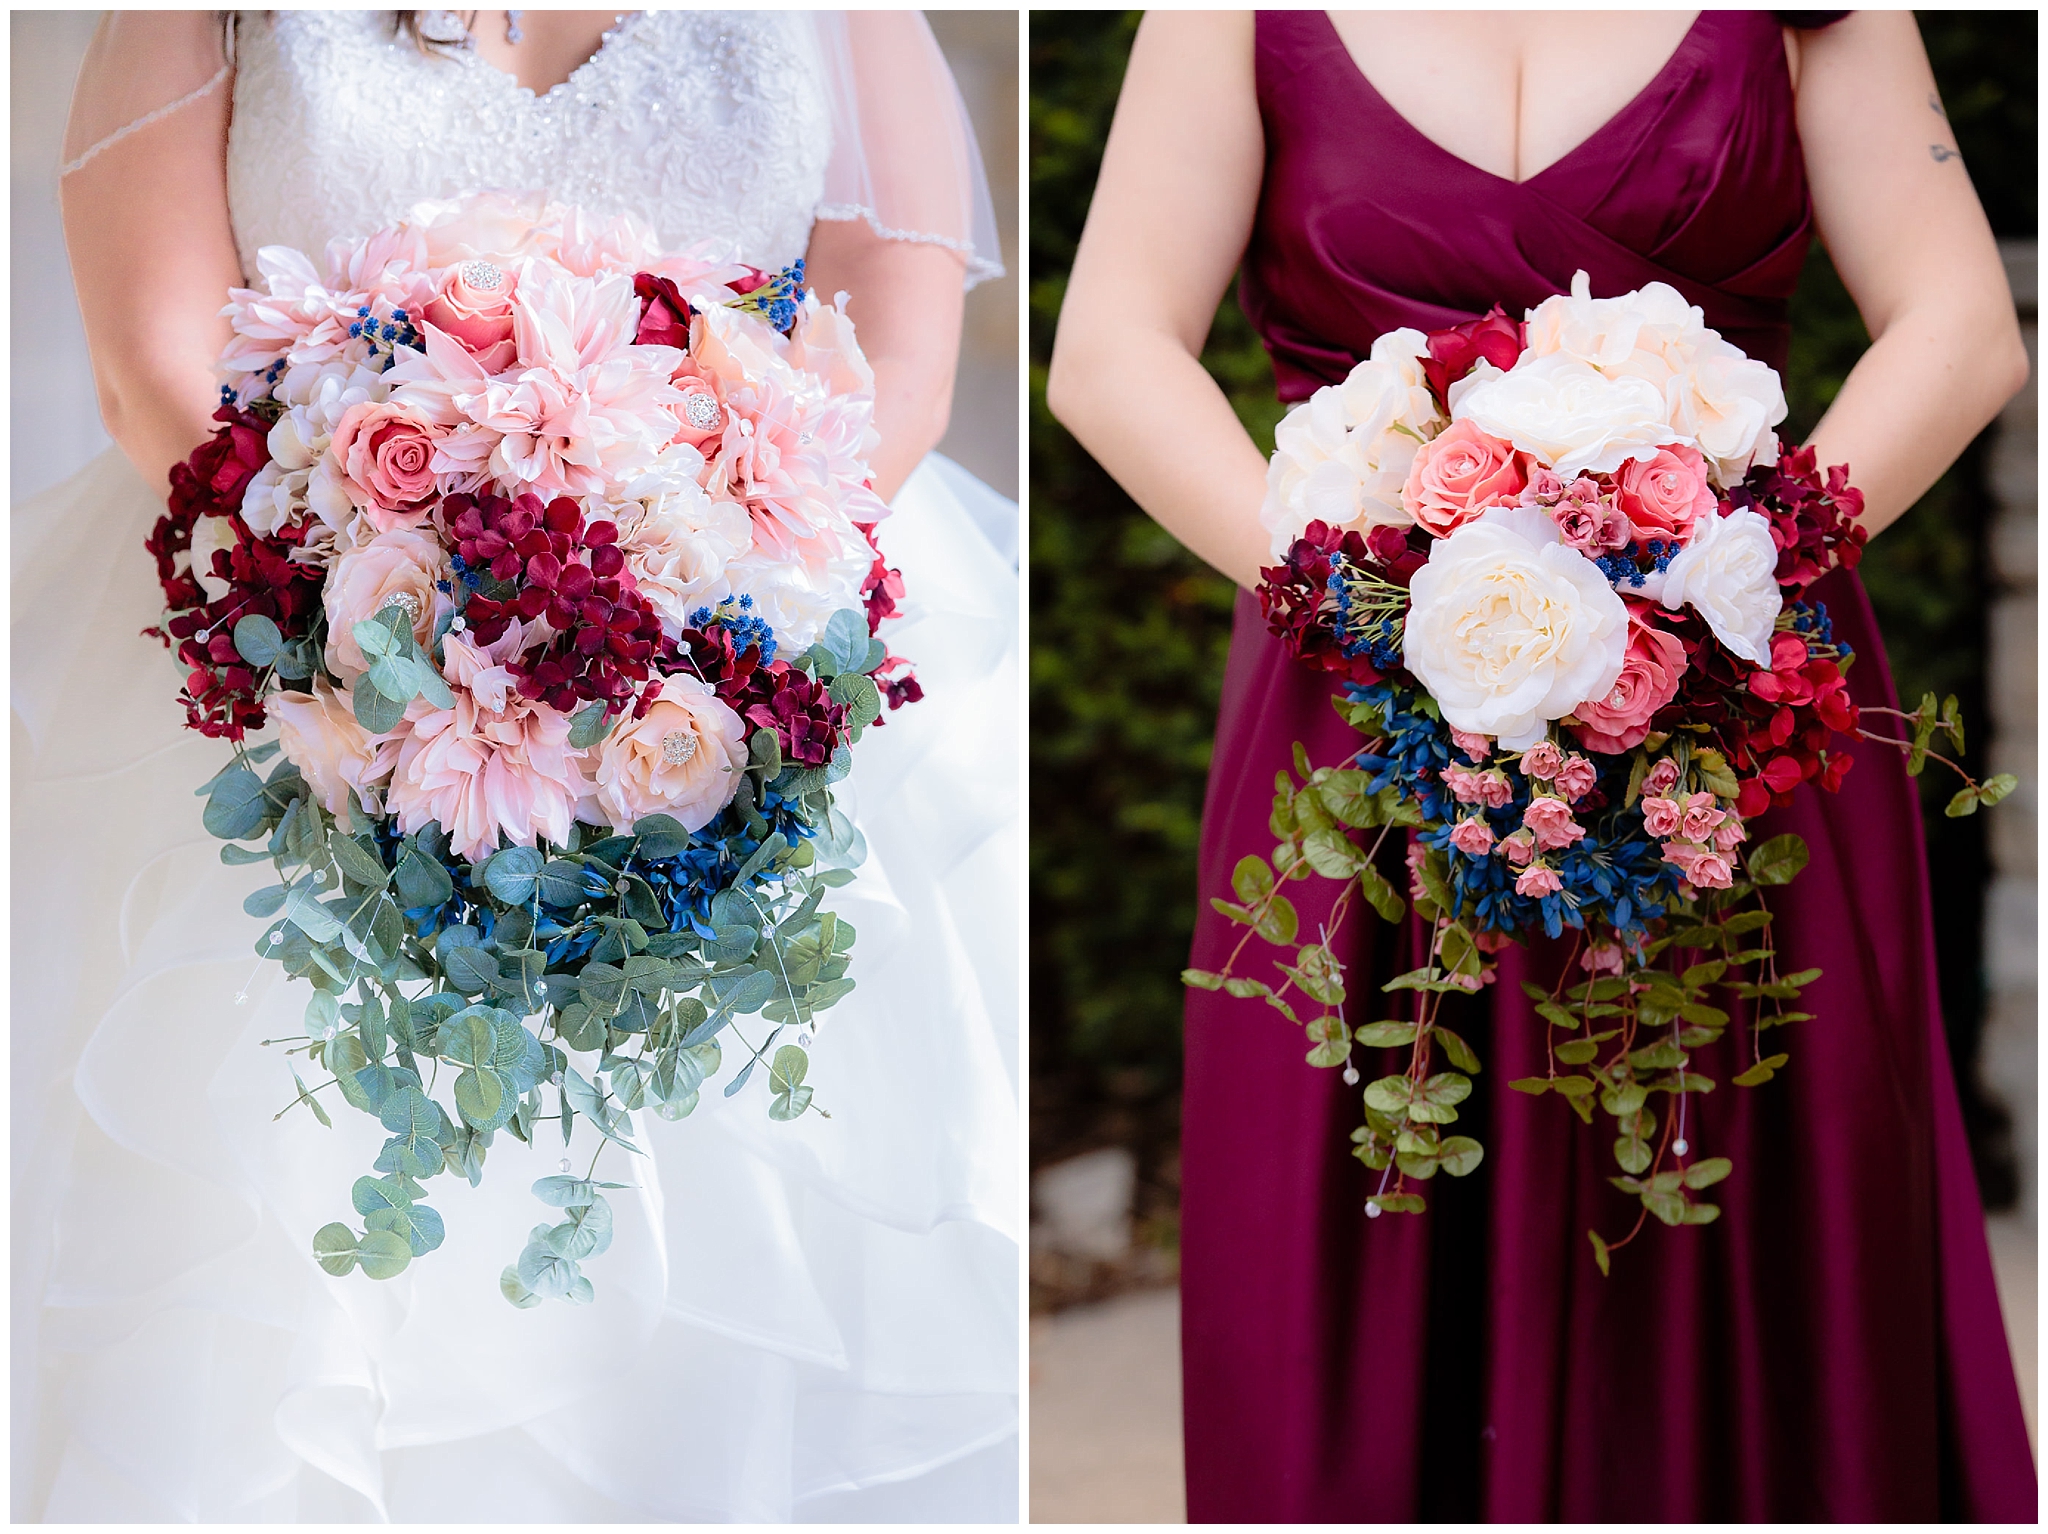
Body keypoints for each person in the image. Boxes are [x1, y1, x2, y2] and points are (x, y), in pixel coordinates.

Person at [16, 10, 1018, 1521]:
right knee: (270, 1245)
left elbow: (897, 344)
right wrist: (392, 643)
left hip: (745, 632)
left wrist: (688, 633)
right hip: (306, 637)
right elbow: (148, 359)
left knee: (738, 1283)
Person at [1050, 10, 2032, 1521]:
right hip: (1364, 723)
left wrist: (1702, 590)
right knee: (1367, 1255)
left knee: (1752, 1241)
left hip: (1726, 717)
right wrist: (1383, 610)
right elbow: (1109, 352)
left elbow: (1961, 324)